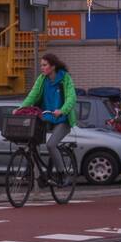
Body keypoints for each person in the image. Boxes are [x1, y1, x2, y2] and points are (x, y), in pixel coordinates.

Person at [18, 53, 78, 184]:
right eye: (41, 65)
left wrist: (62, 110)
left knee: (51, 145)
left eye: (44, 65)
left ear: (53, 66)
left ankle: (62, 174)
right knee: (32, 141)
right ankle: (36, 172)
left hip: (62, 119)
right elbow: (32, 96)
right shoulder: (42, 79)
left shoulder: (65, 78)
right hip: (46, 117)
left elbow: (71, 98)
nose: (42, 68)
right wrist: (20, 108)